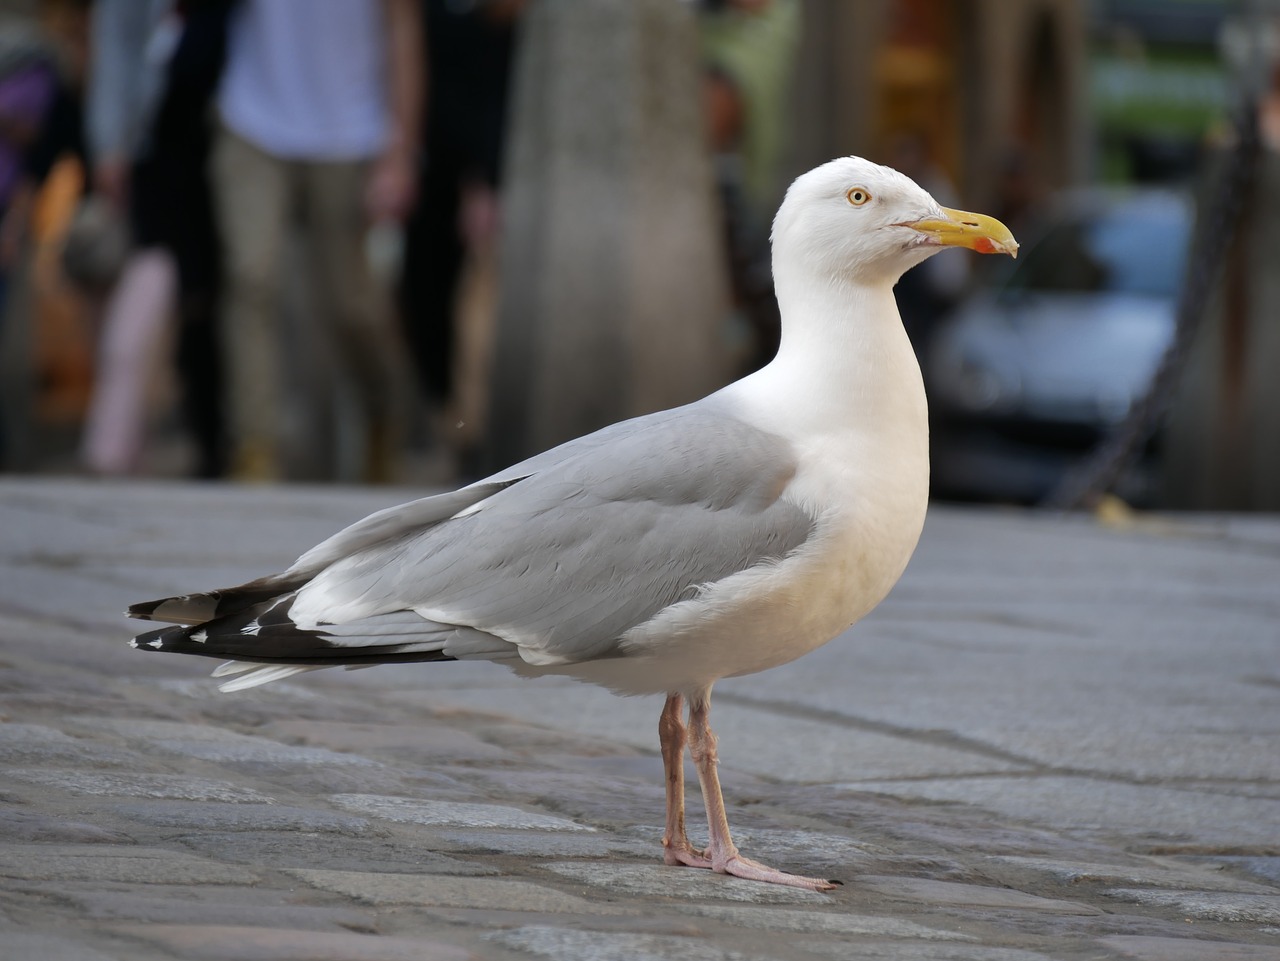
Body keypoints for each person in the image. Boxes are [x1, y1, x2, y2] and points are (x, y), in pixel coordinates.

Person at [213, 0, 420, 482]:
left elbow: (403, 28)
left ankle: (382, 412)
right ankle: (256, 450)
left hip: (352, 129)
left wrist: (401, 151)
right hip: (251, 116)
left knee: (350, 303)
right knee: (251, 278)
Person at [81, 0, 232, 478]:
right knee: (156, 296)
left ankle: (212, 442)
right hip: (156, 159)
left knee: (211, 308)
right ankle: (119, 437)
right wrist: (110, 145)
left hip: (229, 152)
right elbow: (116, 54)